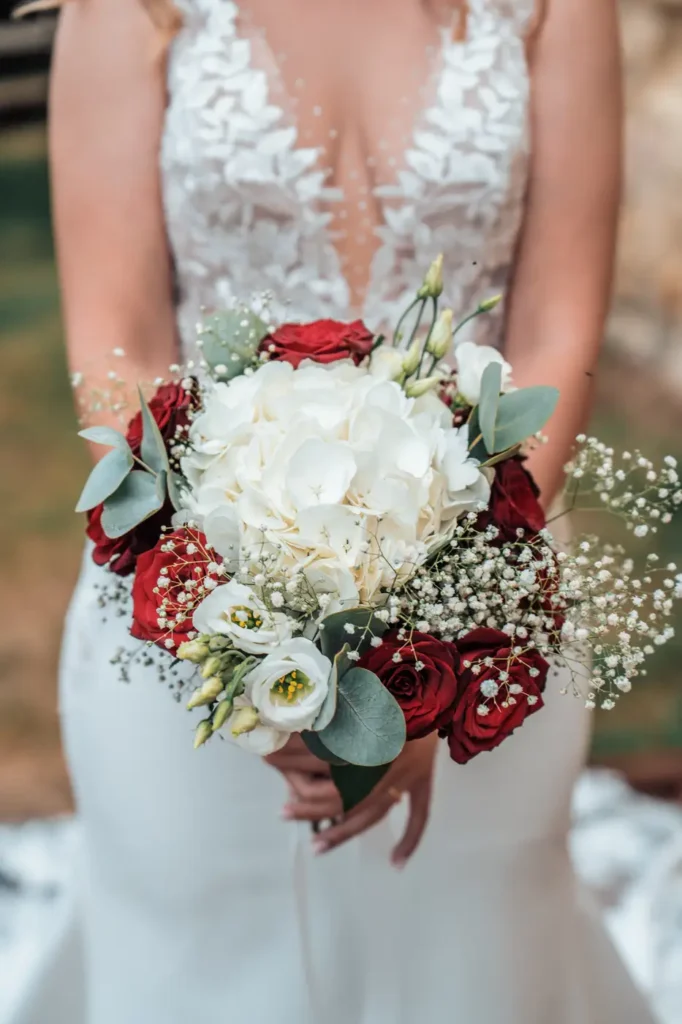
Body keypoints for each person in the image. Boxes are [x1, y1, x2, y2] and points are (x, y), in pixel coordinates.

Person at [10, 1, 657, 1022]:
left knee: (469, 966)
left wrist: (434, 666)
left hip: (491, 598)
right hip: (184, 606)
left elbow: (555, 330)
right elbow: (117, 345)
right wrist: (245, 658)